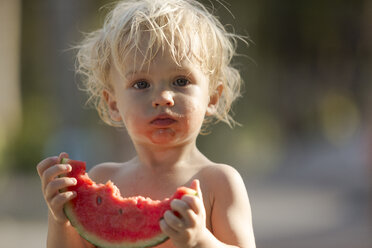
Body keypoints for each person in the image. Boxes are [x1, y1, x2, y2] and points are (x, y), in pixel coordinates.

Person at [36, 0, 256, 247]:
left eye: (181, 81)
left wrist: (201, 240)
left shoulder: (219, 182)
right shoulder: (101, 177)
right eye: (141, 84)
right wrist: (60, 218)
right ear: (114, 104)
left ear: (212, 98)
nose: (163, 97)